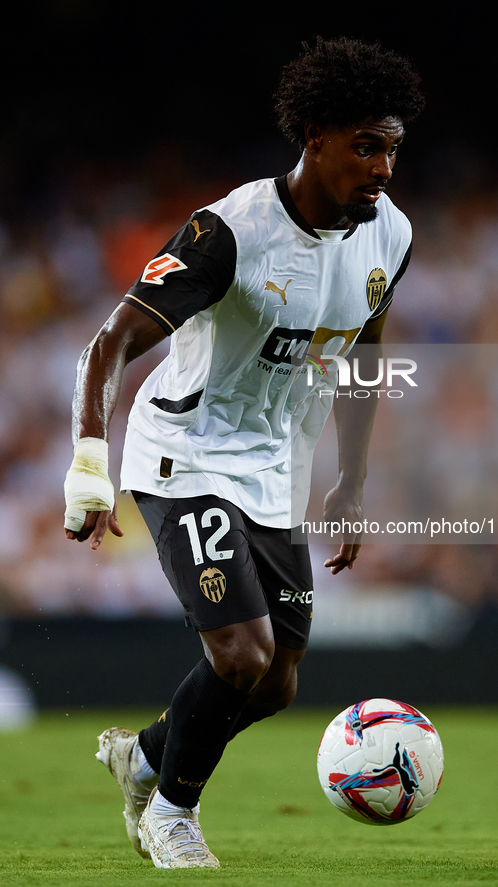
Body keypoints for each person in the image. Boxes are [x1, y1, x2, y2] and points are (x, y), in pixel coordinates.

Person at [64, 36, 424, 869]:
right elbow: (111, 340)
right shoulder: (230, 231)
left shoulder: (389, 236)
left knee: (276, 680)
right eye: (366, 146)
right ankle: (170, 812)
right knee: (241, 652)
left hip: (273, 469)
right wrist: (90, 459)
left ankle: (146, 755)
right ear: (315, 139)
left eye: (393, 149)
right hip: (183, 454)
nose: (382, 168)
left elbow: (365, 353)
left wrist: (351, 480)